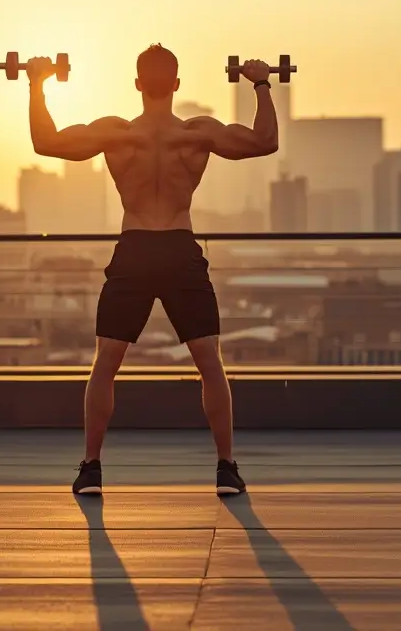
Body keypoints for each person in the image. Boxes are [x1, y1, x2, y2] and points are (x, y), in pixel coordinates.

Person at [25, 44, 278, 496]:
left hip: (136, 248)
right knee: (210, 365)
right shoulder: (197, 134)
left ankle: (91, 469)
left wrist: (37, 83)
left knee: (105, 364)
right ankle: (226, 469)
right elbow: (265, 141)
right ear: (176, 85)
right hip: (180, 249)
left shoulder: (117, 134)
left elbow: (46, 142)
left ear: (138, 84)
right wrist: (260, 83)